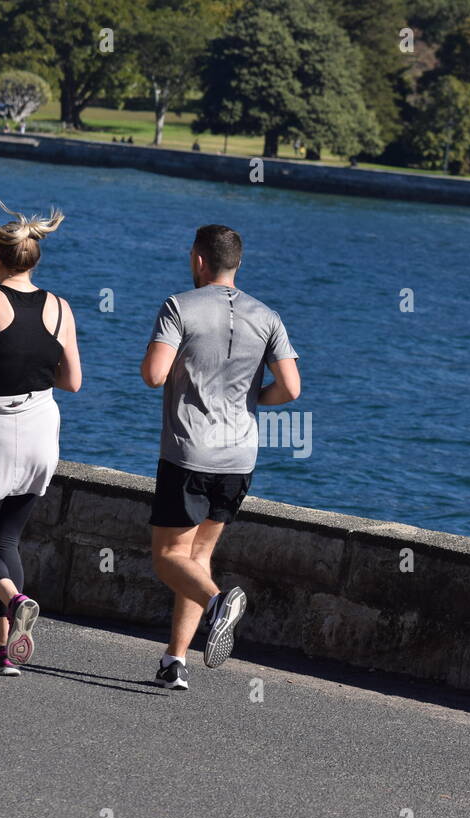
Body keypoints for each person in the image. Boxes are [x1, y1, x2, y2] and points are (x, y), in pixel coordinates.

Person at [140, 225, 301, 690]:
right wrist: (249, 400)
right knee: (198, 555)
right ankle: (175, 661)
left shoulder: (178, 307)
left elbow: (153, 375)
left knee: (168, 557)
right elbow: (291, 388)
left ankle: (216, 605)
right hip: (239, 457)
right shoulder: (267, 316)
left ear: (197, 259)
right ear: (237, 263)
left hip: (189, 452)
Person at [0, 199, 82, 676]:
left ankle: (17, 597)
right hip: (42, 427)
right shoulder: (62, 308)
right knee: (8, 539)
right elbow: (73, 382)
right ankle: (2, 650)